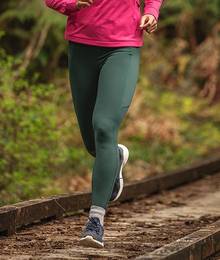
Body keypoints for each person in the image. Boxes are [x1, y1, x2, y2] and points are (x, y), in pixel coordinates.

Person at [44, 0, 163, 248]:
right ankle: (115, 157)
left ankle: (95, 221)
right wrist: (72, 3)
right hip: (81, 46)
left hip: (123, 45)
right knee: (93, 143)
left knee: (104, 127)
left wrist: (151, 11)